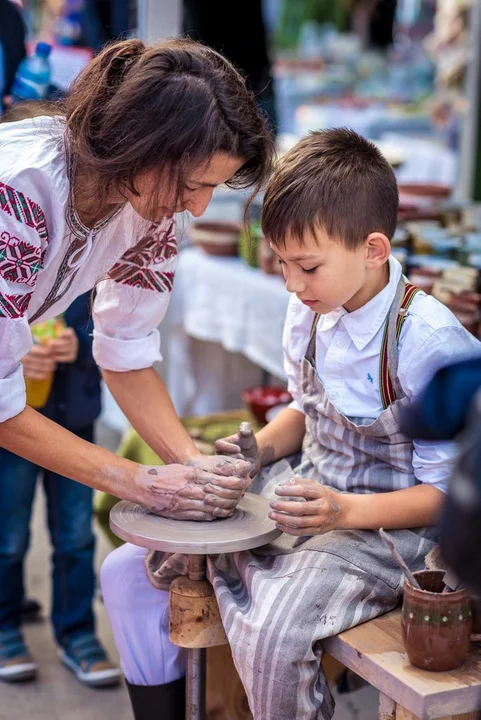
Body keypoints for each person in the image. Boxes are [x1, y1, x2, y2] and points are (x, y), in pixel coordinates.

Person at [100, 128, 481, 720]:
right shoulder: (312, 308)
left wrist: (344, 511)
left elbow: (446, 497)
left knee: (275, 630)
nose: (291, 284)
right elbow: (305, 410)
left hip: (391, 529)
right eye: (280, 263)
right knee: (133, 564)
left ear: (374, 249)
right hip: (312, 491)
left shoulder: (426, 340)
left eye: (306, 266)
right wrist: (257, 452)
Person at [0, 34, 274, 681]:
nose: (199, 206)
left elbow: (124, 351)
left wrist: (190, 464)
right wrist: (133, 479)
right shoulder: (17, 192)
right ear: (140, 146)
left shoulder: (146, 209)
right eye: (195, 183)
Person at [0, 291, 122, 686]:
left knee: (75, 536)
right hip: (10, 428)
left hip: (75, 421)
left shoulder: (89, 260)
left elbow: (119, 343)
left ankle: (78, 633)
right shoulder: (14, 253)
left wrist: (81, 348)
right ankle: (5, 624)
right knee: (9, 536)